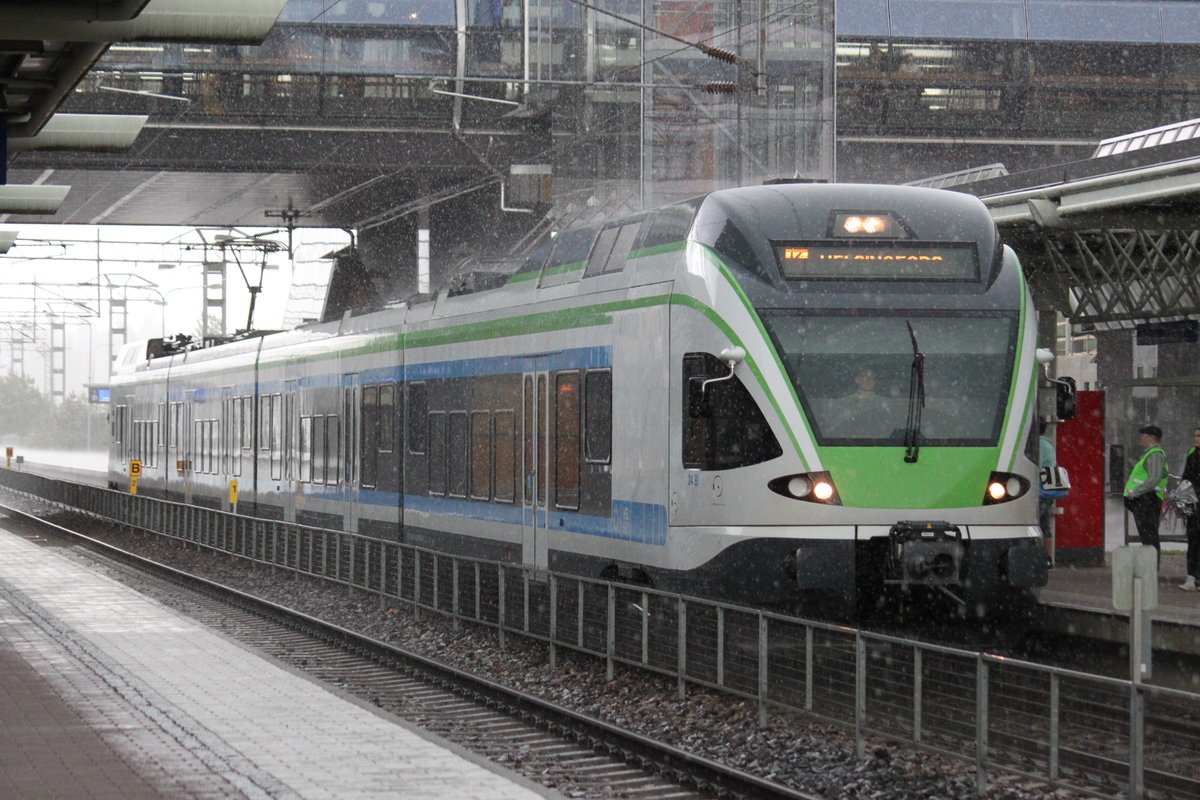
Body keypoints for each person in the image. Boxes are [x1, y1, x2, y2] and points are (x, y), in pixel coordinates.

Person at [1124, 424, 1168, 559]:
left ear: (1152, 438)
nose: (1140, 438)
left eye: (1143, 435)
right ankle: (1149, 569)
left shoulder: (1154, 454)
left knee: (1149, 538)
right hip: (1145, 500)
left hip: (1147, 500)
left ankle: (1151, 571)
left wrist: (1136, 492)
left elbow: (1153, 478)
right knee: (1148, 537)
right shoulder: (1150, 454)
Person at [1179, 427, 1200, 591]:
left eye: (1199, 436)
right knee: (1193, 539)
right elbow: (1186, 477)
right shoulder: (1192, 453)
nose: (1195, 438)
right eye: (1195, 435)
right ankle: (1191, 577)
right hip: (1193, 504)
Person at [1038, 421, 1059, 560]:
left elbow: (1035, 467)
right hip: (1048, 490)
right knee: (1046, 526)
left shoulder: (1037, 444)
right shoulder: (1049, 445)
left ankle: (1038, 556)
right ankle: (1049, 558)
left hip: (1038, 490)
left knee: (1037, 525)